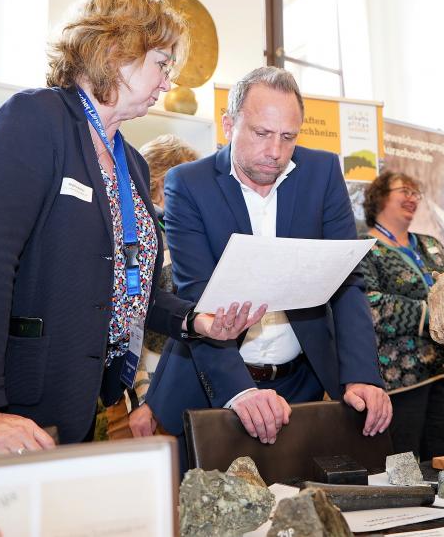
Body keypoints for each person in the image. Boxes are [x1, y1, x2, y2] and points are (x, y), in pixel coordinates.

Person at [0, 0, 264, 454]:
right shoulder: (34, 120)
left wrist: (197, 321)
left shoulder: (131, 162)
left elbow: (125, 283)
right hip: (4, 399)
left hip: (71, 396)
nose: (167, 82)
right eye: (162, 64)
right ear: (117, 50)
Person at [143, 67, 392, 451]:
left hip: (302, 383)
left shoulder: (322, 174)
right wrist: (240, 391)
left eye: (288, 137)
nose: (275, 152)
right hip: (213, 383)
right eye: (261, 134)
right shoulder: (188, 183)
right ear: (229, 124)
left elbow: (347, 281)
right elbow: (199, 296)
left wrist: (362, 375)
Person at [358, 171, 444, 460]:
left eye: (416, 193)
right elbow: (368, 303)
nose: (412, 198)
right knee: (404, 465)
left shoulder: (431, 244)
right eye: (404, 191)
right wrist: (433, 316)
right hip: (400, 379)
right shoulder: (363, 247)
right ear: (379, 196)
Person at [105, 135, 199, 439]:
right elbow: (131, 318)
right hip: (139, 391)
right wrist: (143, 399)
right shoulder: (136, 234)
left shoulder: (186, 232)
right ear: (156, 182)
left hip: (180, 384)